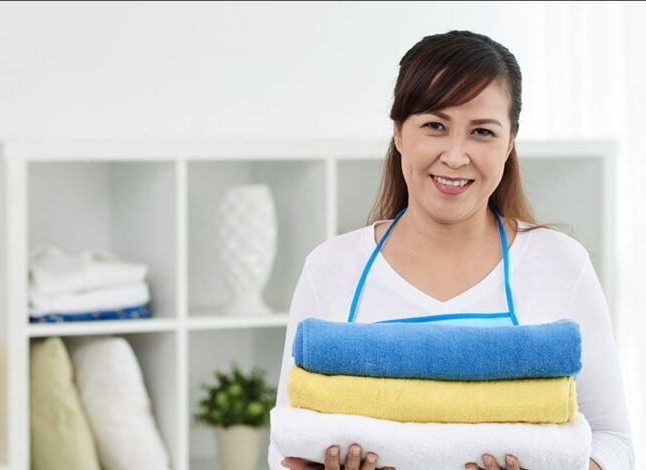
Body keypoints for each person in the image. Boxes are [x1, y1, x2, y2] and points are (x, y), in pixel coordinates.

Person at [268, 30, 634, 470]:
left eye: (482, 131)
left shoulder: (559, 264)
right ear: (399, 133)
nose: (456, 155)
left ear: (509, 143)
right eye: (435, 126)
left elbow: (614, 444)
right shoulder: (331, 268)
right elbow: (286, 445)